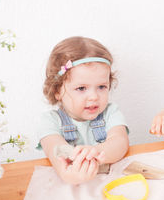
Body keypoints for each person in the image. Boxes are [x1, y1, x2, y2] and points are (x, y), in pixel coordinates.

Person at [37, 36, 129, 185]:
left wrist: (96, 152)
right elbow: (56, 149)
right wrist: (69, 173)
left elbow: (120, 142)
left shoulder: (111, 112)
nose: (93, 97)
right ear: (57, 90)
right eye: (81, 88)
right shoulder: (50, 121)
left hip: (109, 183)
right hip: (73, 188)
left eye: (101, 87)